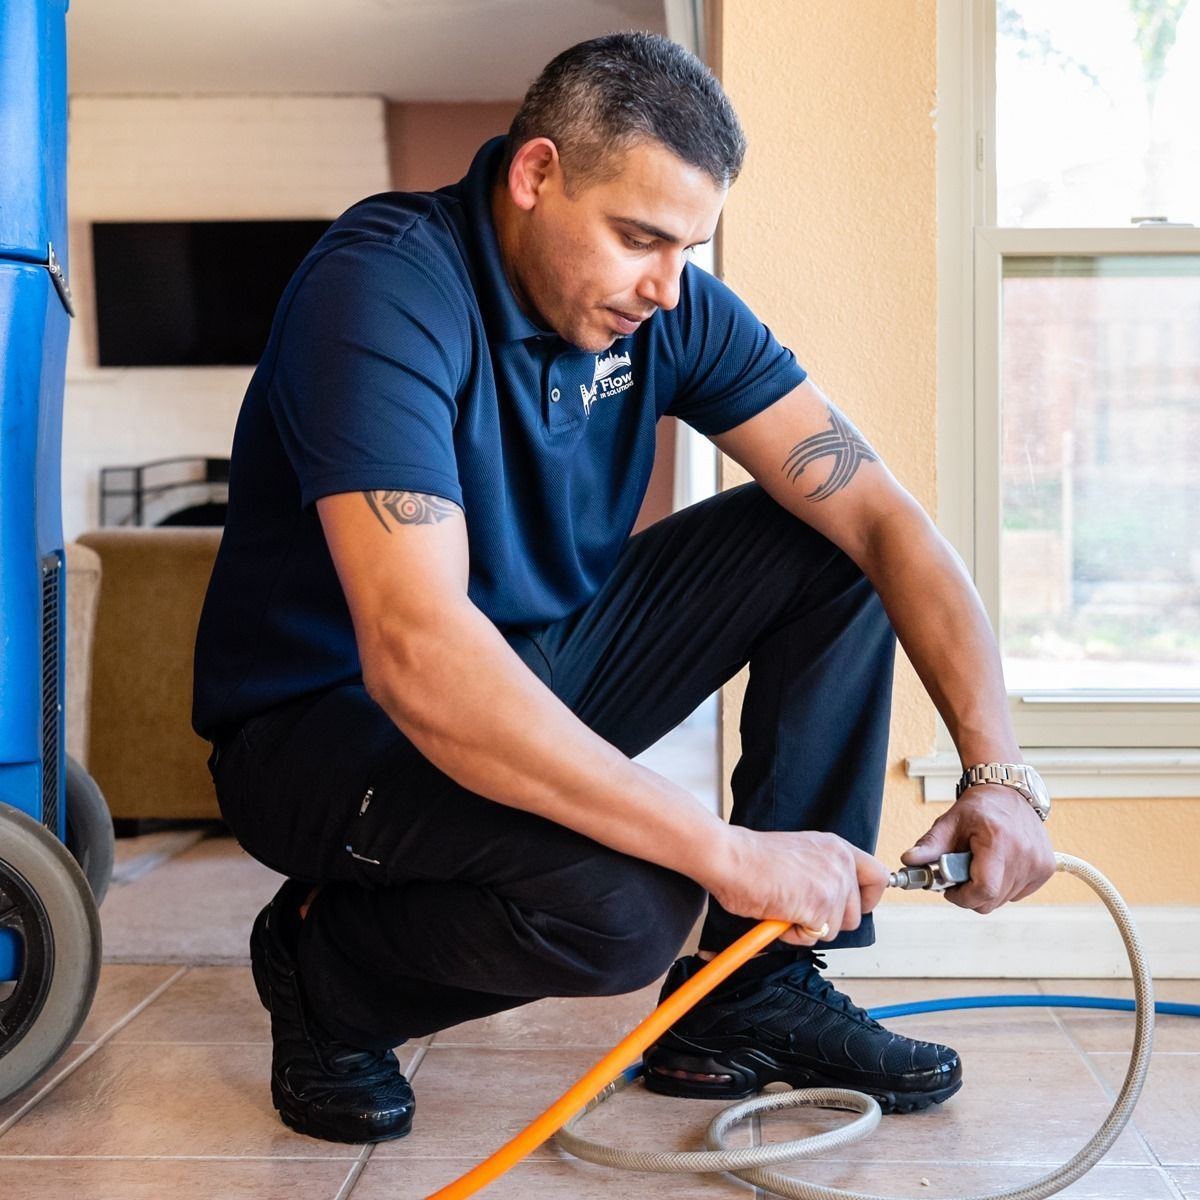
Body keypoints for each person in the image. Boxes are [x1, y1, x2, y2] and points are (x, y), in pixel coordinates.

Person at [193, 31, 1056, 1145]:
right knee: (628, 909)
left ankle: (754, 991)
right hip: (329, 727)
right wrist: (728, 856)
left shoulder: (668, 306)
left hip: (528, 669)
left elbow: (884, 517)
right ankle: (326, 974)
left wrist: (999, 773)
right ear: (535, 172)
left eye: (687, 246)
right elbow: (416, 651)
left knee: (833, 545)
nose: (664, 284)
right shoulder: (382, 291)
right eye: (638, 237)